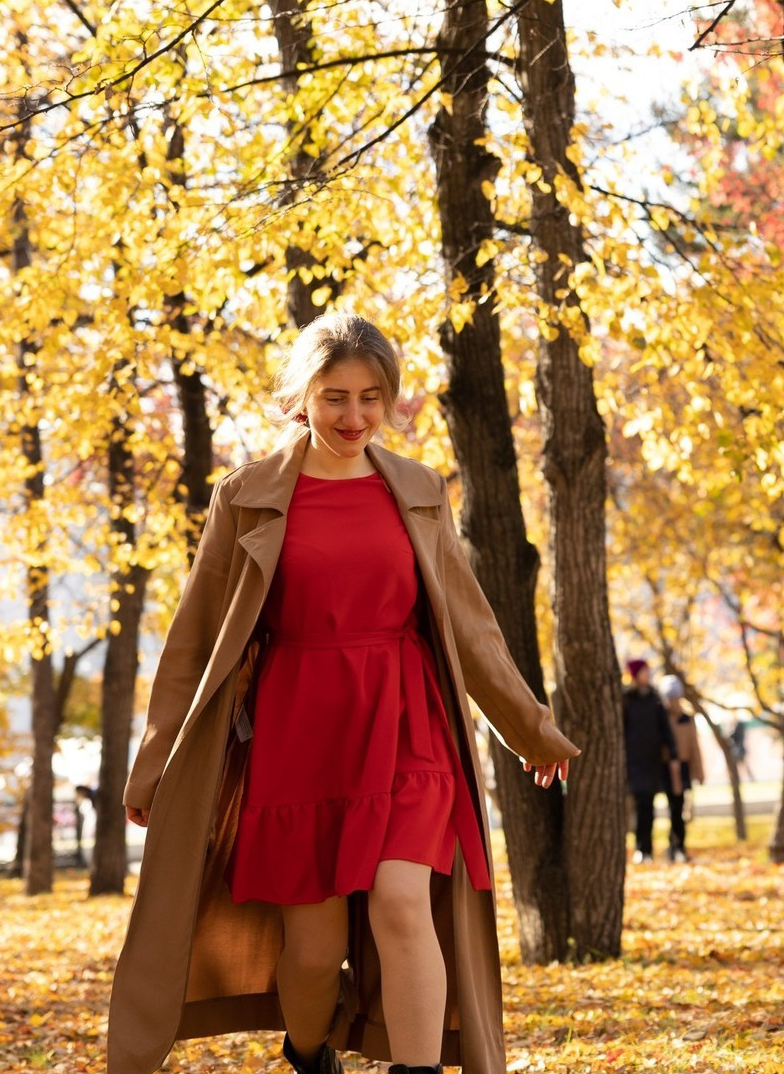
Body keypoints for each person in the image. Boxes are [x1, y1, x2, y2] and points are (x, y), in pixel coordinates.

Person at [107, 312, 579, 1074]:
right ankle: (307, 1052)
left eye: (370, 397)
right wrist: (155, 762)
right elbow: (195, 640)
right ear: (301, 396)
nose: (354, 416)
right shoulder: (247, 496)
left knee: (402, 901)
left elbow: (469, 623)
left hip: (406, 718)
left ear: (391, 398)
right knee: (314, 950)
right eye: (334, 397)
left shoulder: (420, 491)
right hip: (301, 732)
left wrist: (530, 729)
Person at [621, 659, 678, 863]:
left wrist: (672, 753)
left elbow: (665, 729)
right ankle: (640, 847)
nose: (648, 674)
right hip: (634, 761)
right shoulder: (626, 699)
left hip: (652, 761)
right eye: (645, 671)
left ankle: (649, 850)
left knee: (650, 806)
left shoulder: (655, 699)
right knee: (640, 803)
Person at [656, 676, 703, 862]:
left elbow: (694, 746)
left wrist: (699, 772)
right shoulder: (661, 718)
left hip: (682, 768)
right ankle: (673, 846)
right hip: (666, 767)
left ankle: (679, 846)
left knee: (680, 808)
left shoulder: (687, 718)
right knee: (673, 807)